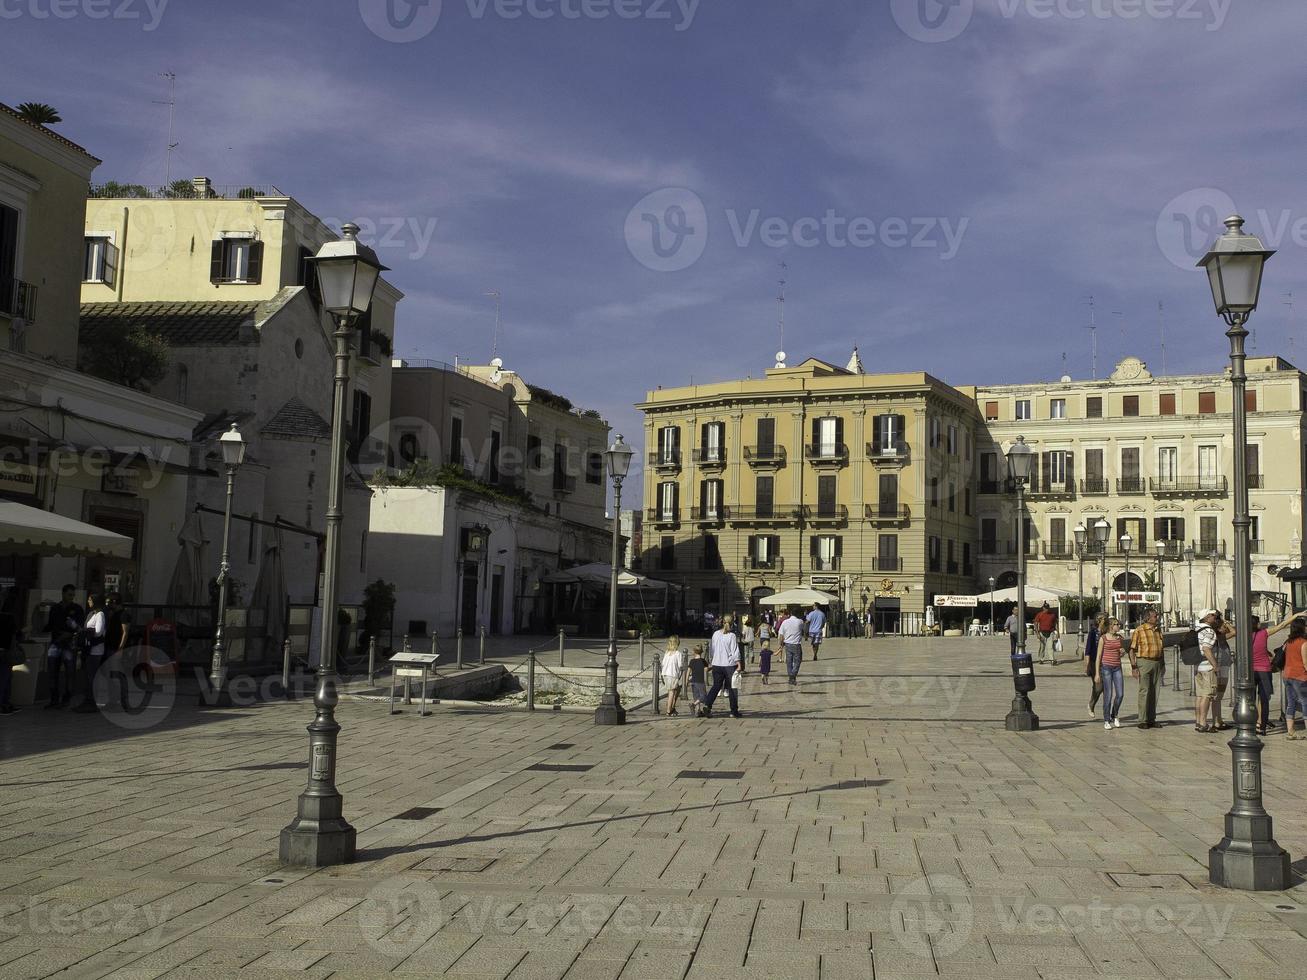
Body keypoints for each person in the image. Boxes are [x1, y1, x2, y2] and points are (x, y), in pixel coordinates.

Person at [1250, 610, 1300, 736]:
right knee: (1264, 699)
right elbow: (1281, 625)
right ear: (1257, 624)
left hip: (1250, 671)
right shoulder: (1264, 633)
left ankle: (1251, 724)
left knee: (1250, 699)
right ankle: (1262, 727)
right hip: (1264, 671)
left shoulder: (1244, 636)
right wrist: (1294, 616)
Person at [45, 584, 84, 709]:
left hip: (69, 643)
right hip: (56, 642)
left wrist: (70, 633)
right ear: (63, 594)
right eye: (69, 595)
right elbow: (50, 625)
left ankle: (67, 698)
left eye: (73, 595)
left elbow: (80, 627)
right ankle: (54, 699)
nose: (71, 597)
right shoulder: (55, 608)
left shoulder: (77, 609)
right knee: (52, 672)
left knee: (70, 672)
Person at [1194, 608, 1232, 734]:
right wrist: (1215, 664)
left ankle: (1199, 722)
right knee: (1207, 695)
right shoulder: (1209, 631)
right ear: (1206, 617)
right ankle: (1204, 723)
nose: (1214, 617)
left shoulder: (1197, 628)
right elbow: (1206, 648)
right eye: (1212, 615)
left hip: (1198, 666)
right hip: (1207, 667)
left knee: (1199, 696)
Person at [1128, 608, 1165, 729]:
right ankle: (1142, 719)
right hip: (1144, 662)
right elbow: (1132, 650)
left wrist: (1163, 664)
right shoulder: (1140, 630)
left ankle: (1151, 718)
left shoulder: (1158, 630)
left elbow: (1161, 648)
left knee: (1155, 691)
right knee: (1145, 690)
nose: (1157, 618)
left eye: (1157, 616)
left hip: (1157, 662)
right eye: (1155, 616)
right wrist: (1134, 667)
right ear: (1148, 618)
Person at [702, 614, 742, 718]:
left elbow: (712, 648)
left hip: (717, 664)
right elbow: (734, 651)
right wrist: (739, 663)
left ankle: (707, 704)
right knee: (732, 688)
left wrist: (712, 660)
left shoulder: (715, 634)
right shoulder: (732, 636)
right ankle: (734, 711)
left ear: (722, 622)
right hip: (729, 665)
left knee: (716, 686)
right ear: (732, 623)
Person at [73, 593, 107, 713]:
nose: (88, 601)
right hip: (88, 650)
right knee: (88, 675)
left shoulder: (100, 615)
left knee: (92, 676)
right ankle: (88, 699)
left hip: (95, 650)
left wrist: (85, 632)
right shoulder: (92, 614)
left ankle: (91, 701)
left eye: (90, 600)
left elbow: (98, 632)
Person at [1281, 618, 1307, 740]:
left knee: (1291, 702)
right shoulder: (1304, 643)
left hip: (1287, 675)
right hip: (1299, 675)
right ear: (1302, 628)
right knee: (1305, 701)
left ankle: (1290, 731)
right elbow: (1305, 662)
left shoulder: (1288, 642)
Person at [1099, 617, 1125, 730]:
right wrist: (1096, 673)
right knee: (1108, 695)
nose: (1119, 626)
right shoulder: (1103, 638)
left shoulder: (1120, 638)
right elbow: (1098, 656)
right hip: (1106, 668)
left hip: (1117, 667)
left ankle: (1114, 714)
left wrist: (1122, 652)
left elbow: (1121, 652)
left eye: (1118, 624)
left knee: (1120, 694)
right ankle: (1106, 719)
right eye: (1117, 624)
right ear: (1111, 626)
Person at [0, 596, 19, 715]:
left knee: (5, 679)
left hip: (4, 651)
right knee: (4, 679)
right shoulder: (9, 618)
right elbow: (14, 635)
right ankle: (3, 704)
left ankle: (4, 703)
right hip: (5, 652)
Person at [660, 635, 688, 716]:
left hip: (665, 675)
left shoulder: (667, 653)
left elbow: (663, 664)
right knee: (672, 692)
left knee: (675, 690)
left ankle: (672, 707)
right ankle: (669, 710)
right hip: (673, 675)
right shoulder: (678, 653)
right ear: (677, 643)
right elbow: (680, 665)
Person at [778, 607, 805, 685]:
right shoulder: (800, 622)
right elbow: (803, 630)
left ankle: (791, 677)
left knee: (789, 661)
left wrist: (781, 644)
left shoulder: (785, 622)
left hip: (787, 644)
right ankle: (793, 675)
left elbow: (781, 635)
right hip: (796, 644)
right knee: (798, 661)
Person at [1085, 614, 1105, 717]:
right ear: (1099, 621)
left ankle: (1108, 713)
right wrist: (1087, 665)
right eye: (1104, 619)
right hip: (1094, 663)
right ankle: (1091, 704)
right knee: (1098, 687)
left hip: (1106, 663)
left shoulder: (1107, 633)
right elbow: (1088, 650)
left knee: (1106, 688)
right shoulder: (1093, 633)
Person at [687, 645, 708, 717]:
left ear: (694, 652)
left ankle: (698, 711)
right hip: (700, 681)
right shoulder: (703, 661)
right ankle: (693, 705)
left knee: (696, 696)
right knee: (704, 696)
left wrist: (686, 681)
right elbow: (706, 670)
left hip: (693, 681)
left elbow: (688, 672)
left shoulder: (692, 661)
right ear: (702, 652)